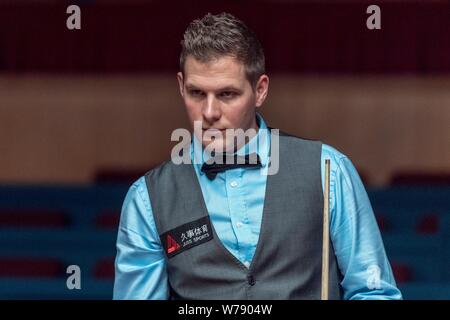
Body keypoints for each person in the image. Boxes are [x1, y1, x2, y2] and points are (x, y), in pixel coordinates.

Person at [113, 12, 402, 300]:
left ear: (260, 90)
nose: (210, 112)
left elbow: (373, 291)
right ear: (181, 87)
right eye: (197, 93)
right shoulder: (147, 199)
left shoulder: (328, 170)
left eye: (227, 94)